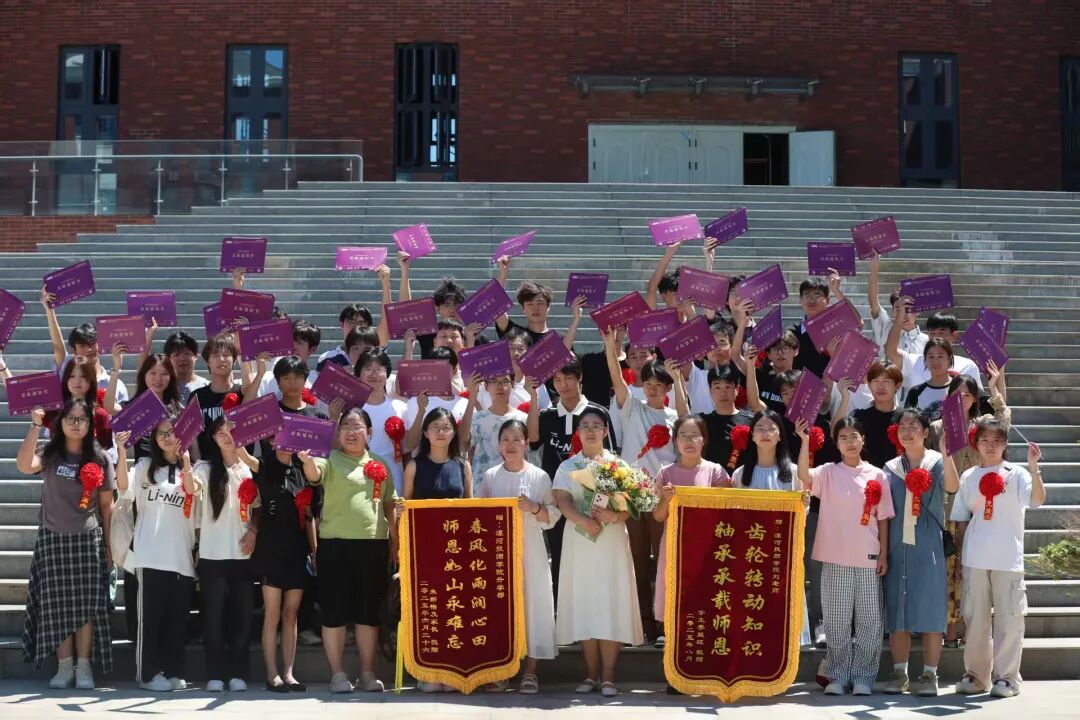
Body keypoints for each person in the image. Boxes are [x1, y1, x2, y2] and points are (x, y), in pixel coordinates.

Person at [17, 400, 115, 689]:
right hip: (52, 538)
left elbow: (107, 506)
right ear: (60, 423)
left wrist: (109, 547)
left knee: (86, 608)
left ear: (90, 425)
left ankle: (83, 667)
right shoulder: (50, 454)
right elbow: (24, 465)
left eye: (81, 419)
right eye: (70, 418)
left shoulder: (100, 458)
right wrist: (35, 426)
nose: (75, 423)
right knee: (56, 606)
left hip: (87, 538)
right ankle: (64, 667)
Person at [299, 408, 398, 694]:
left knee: (368, 613)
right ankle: (338, 674)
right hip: (335, 545)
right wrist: (307, 461)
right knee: (334, 611)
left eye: (357, 427)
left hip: (373, 545)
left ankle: (367, 673)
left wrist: (395, 543)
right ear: (338, 432)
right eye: (345, 427)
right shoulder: (329, 459)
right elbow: (314, 474)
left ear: (370, 432)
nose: (351, 432)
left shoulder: (380, 463)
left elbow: (390, 505)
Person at [242, 356, 325, 692]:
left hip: (297, 547)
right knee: (273, 612)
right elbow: (242, 454)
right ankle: (271, 673)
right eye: (279, 433)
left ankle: (289, 672)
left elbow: (310, 514)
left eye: (297, 376)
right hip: (270, 547)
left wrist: (314, 550)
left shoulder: (303, 471)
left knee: (292, 613)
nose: (284, 437)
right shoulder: (263, 464)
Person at [797, 417, 894, 696]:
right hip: (835, 556)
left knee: (869, 620)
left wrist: (883, 553)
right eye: (843, 437)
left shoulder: (877, 475)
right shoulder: (828, 472)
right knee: (836, 620)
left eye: (854, 436)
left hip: (868, 557)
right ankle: (837, 675)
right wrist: (804, 441)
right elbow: (804, 477)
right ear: (836, 443)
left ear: (863, 439)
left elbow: (883, 518)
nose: (850, 442)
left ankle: (864, 677)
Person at [552, 406, 643, 698]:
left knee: (610, 603)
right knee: (585, 604)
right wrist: (583, 520)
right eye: (585, 426)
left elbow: (631, 506)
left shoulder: (619, 466)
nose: (590, 430)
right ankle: (590, 674)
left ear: (605, 431)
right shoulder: (568, 466)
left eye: (596, 426)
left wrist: (614, 516)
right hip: (580, 540)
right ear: (578, 432)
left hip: (611, 542)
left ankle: (609, 677)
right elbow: (563, 500)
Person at [951, 417, 1045, 698]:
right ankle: (976, 675)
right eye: (984, 440)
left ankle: (1007, 678)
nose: (990, 446)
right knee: (975, 620)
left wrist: (1034, 468)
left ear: (1005, 445)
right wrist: (960, 558)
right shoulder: (969, 476)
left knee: (1009, 620)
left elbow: (1037, 500)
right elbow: (962, 519)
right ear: (976, 444)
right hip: (975, 558)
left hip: (1008, 558)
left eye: (996, 441)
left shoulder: (1017, 474)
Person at [604, 330, 682, 642]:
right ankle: (642, 627)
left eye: (659, 384)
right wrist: (610, 348)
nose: (652, 388)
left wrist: (680, 379)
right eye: (648, 383)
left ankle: (664, 626)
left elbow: (688, 422)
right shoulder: (632, 407)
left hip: (663, 496)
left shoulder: (675, 416)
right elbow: (616, 378)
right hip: (633, 495)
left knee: (664, 562)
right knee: (636, 562)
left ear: (667, 388)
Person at [928, 367, 1011, 647]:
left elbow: (1004, 422)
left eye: (967, 394)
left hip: (980, 506)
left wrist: (994, 387)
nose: (962, 399)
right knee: (949, 569)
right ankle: (949, 630)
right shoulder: (937, 427)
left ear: (975, 398)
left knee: (972, 569)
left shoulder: (983, 425)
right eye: (957, 393)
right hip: (948, 506)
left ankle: (972, 628)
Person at [114, 418, 198, 692]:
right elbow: (123, 488)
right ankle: (148, 674)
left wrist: (186, 461)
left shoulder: (192, 470)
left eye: (172, 432)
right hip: (149, 556)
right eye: (161, 433)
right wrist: (122, 451)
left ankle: (173, 670)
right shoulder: (144, 466)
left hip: (181, 558)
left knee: (176, 622)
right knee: (149, 622)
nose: (167, 437)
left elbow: (193, 492)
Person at [478, 419, 560, 694]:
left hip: (531, 550)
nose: (511, 445)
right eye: (505, 440)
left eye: (516, 439)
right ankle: (502, 670)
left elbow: (553, 516)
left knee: (534, 606)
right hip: (498, 554)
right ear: (498, 445)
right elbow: (479, 515)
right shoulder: (491, 476)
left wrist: (535, 508)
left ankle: (530, 672)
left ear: (526, 443)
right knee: (501, 609)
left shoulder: (539, 476)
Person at [881, 409, 960, 696]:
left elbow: (952, 487)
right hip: (897, 546)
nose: (907, 430)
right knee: (898, 609)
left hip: (928, 545)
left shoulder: (937, 461)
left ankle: (929, 675)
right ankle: (899, 673)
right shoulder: (890, 468)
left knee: (931, 608)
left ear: (926, 432)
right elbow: (884, 511)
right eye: (902, 426)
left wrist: (946, 452)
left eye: (914, 425)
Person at [528, 355, 617, 599]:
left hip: (593, 500)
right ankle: (563, 607)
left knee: (594, 555)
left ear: (580, 378)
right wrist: (533, 395)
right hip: (557, 499)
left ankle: (594, 604)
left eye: (568, 378)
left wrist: (602, 501)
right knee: (559, 552)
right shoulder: (546, 415)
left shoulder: (597, 413)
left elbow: (611, 460)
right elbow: (533, 440)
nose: (563, 384)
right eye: (557, 380)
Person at [652, 415, 730, 650]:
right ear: (675, 441)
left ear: (703, 440)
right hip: (674, 544)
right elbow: (658, 516)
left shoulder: (716, 471)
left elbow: (727, 510)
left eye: (694, 435)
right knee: (674, 591)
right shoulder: (665, 473)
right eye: (683, 436)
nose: (689, 441)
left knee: (705, 594)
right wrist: (666, 501)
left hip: (706, 546)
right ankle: (672, 643)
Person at [192, 417, 256, 693]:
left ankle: (239, 672)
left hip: (243, 554)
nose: (227, 436)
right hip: (212, 554)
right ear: (213, 438)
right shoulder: (204, 468)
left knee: (241, 618)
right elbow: (191, 487)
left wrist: (254, 531)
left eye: (232, 430)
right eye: (220, 433)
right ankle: (215, 674)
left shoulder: (250, 468)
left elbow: (261, 506)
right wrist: (186, 463)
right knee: (213, 618)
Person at [42, 286, 130, 403]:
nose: (89, 349)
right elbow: (58, 347)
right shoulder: (66, 372)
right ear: (74, 351)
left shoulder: (116, 384)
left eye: (92, 343)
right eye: (82, 346)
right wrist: (49, 310)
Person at [886, 303, 983, 395]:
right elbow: (891, 351)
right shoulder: (914, 361)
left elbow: (977, 398)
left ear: (954, 335)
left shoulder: (968, 366)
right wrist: (900, 315)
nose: (936, 337)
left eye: (941, 333)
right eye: (932, 333)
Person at [459, 372, 530, 490]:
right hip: (483, 487)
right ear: (486, 386)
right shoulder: (477, 419)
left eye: (505, 381)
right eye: (494, 381)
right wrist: (472, 398)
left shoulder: (523, 419)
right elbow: (463, 444)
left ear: (512, 385)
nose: (500, 386)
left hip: (515, 486)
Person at [355, 349, 409, 495]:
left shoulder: (400, 407)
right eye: (368, 369)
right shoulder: (351, 409)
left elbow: (407, 450)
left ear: (387, 374)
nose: (374, 374)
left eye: (379, 369)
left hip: (394, 477)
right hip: (359, 477)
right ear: (359, 374)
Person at [190, 336, 243, 464]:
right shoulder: (196, 396)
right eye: (215, 355)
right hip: (206, 467)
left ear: (234, 361)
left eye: (226, 355)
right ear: (207, 361)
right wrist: (199, 465)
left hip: (239, 467)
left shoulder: (242, 393)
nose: (221, 359)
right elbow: (192, 437)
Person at [403, 406, 474, 502]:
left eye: (446, 428)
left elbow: (470, 505)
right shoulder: (413, 466)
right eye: (435, 427)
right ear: (426, 433)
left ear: (453, 434)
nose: (440, 432)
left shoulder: (464, 466)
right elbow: (406, 504)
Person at [866, 251, 928, 357]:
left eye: (907, 309)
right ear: (893, 311)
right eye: (898, 309)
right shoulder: (885, 327)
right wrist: (874, 266)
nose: (902, 314)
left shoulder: (927, 341)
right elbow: (873, 302)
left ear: (918, 311)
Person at [847, 361, 904, 469]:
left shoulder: (906, 418)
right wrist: (845, 397)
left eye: (886, 381)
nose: (880, 386)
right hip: (866, 475)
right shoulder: (859, 417)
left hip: (899, 475)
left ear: (897, 385)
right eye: (876, 381)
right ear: (869, 384)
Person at [790, 272, 847, 378]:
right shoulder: (792, 335)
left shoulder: (836, 331)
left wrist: (836, 290)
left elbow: (856, 320)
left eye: (817, 295)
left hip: (830, 386)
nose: (811, 300)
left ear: (827, 300)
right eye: (806, 295)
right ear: (801, 301)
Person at [700, 364, 754, 471]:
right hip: (710, 479)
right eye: (717, 387)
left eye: (728, 387)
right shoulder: (702, 422)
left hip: (743, 479)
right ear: (710, 390)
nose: (723, 393)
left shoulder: (751, 421)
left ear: (737, 389)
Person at [903, 338, 957, 420]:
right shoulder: (916, 392)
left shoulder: (960, 388)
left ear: (949, 359)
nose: (935, 362)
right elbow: (908, 422)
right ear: (925, 360)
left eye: (940, 356)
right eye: (931, 357)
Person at [316, 303, 375, 371]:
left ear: (368, 327)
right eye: (351, 322)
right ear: (342, 324)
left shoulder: (376, 355)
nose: (355, 327)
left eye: (361, 323)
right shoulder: (327, 359)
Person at [163, 331, 210, 404]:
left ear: (196, 356)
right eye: (176, 354)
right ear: (168, 358)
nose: (182, 358)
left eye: (187, 353)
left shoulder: (207, 387)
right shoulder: (163, 386)